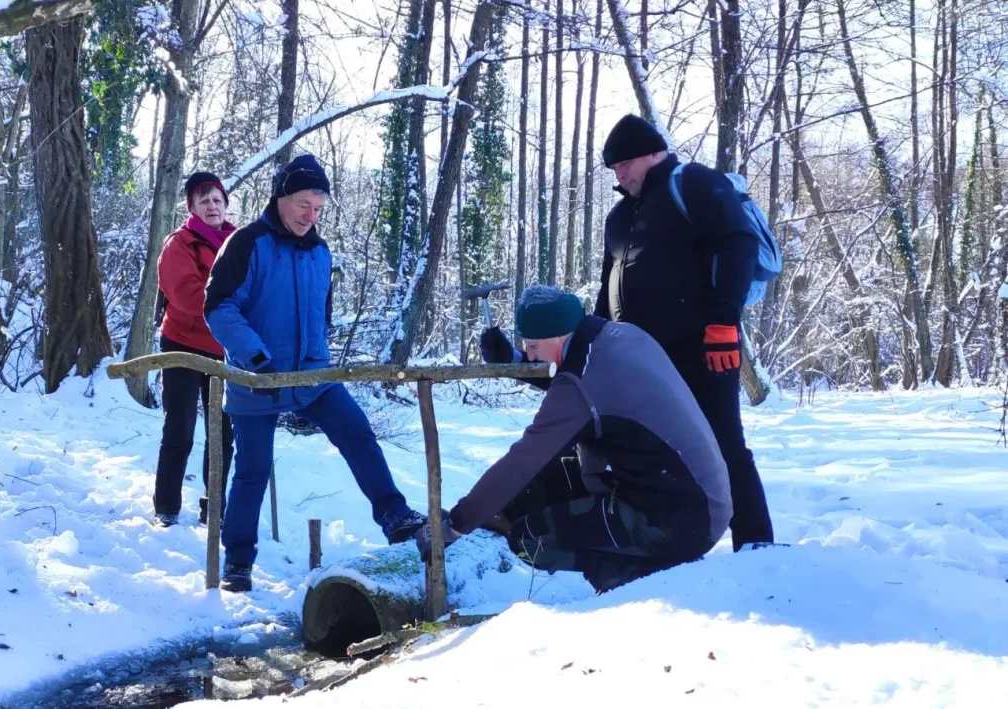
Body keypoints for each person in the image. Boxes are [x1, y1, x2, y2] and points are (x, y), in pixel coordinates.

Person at [204, 154, 428, 592]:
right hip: (257, 379)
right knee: (252, 470)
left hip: (312, 378)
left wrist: (317, 360)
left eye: (319, 208)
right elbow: (218, 307)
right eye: (304, 205)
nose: (311, 216)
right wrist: (255, 357)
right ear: (281, 197)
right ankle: (238, 561)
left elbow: (319, 315)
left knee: (357, 432)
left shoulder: (320, 252)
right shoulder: (247, 243)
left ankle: (395, 516)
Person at [418, 285, 733, 593]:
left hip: (679, 517)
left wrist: (456, 525)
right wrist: (513, 359)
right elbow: (584, 383)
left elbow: (521, 460)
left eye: (532, 345)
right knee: (538, 486)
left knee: (530, 539)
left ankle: (636, 585)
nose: (530, 352)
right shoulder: (616, 337)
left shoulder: (580, 382)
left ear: (559, 336)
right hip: (697, 496)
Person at [592, 114, 774, 550]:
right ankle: (671, 545)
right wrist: (595, 341)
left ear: (653, 154)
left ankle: (756, 545)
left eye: (624, 164)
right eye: (613, 168)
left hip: (703, 346)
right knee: (656, 449)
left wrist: (723, 324)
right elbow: (607, 287)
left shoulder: (692, 182)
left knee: (722, 441)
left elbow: (739, 242)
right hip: (642, 359)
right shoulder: (619, 217)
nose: (618, 175)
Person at [151, 171, 237, 528]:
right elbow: (187, 296)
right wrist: (233, 307)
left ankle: (213, 507)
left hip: (225, 349)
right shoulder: (179, 244)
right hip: (182, 346)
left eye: (217, 199)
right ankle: (166, 507)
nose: (212, 206)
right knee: (179, 428)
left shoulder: (239, 242)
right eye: (204, 200)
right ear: (192, 207)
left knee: (223, 434)